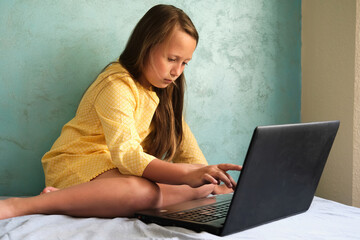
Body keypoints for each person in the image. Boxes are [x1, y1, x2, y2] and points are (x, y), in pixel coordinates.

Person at [0, 4, 241, 220]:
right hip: (78, 163)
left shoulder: (163, 92)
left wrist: (209, 180)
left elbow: (190, 157)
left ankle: (73, 198)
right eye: (171, 59)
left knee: (200, 185)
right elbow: (128, 156)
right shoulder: (116, 83)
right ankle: (23, 205)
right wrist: (189, 176)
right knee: (144, 193)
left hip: (115, 172)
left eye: (185, 62)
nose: (177, 71)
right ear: (146, 46)